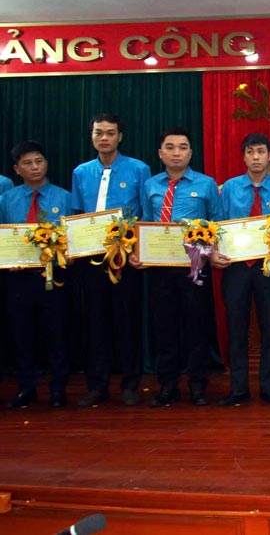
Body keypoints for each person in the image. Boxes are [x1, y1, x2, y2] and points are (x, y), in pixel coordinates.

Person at [134, 127, 222, 407]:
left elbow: (217, 223)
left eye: (182, 147)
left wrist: (213, 252)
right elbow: (145, 222)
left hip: (195, 267)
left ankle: (198, 385)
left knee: (196, 325)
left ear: (191, 153)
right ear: (160, 153)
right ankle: (167, 385)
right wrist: (139, 252)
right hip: (159, 267)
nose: (176, 153)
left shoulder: (207, 184)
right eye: (170, 147)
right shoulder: (150, 185)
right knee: (164, 326)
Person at [70, 113, 152, 406]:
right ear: (91, 136)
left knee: (127, 320)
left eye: (110, 133)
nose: (104, 138)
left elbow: (145, 213)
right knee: (95, 321)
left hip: (126, 257)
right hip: (91, 258)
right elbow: (77, 213)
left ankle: (130, 384)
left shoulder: (139, 169)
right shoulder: (81, 172)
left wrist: (138, 250)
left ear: (120, 136)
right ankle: (97, 385)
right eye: (98, 132)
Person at [211, 133, 270, 406]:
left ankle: (269, 388)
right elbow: (218, 225)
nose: (256, 157)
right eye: (250, 152)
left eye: (260, 152)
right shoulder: (230, 188)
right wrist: (215, 252)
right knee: (237, 328)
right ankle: (238, 389)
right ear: (244, 157)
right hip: (235, 267)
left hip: (268, 266)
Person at [2, 141, 73, 408]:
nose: (35, 167)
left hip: (54, 275)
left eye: (39, 161)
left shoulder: (64, 198)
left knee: (57, 333)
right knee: (22, 334)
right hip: (18, 278)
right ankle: (26, 387)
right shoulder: (6, 200)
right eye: (28, 163)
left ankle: (58, 389)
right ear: (17, 169)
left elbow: (73, 239)